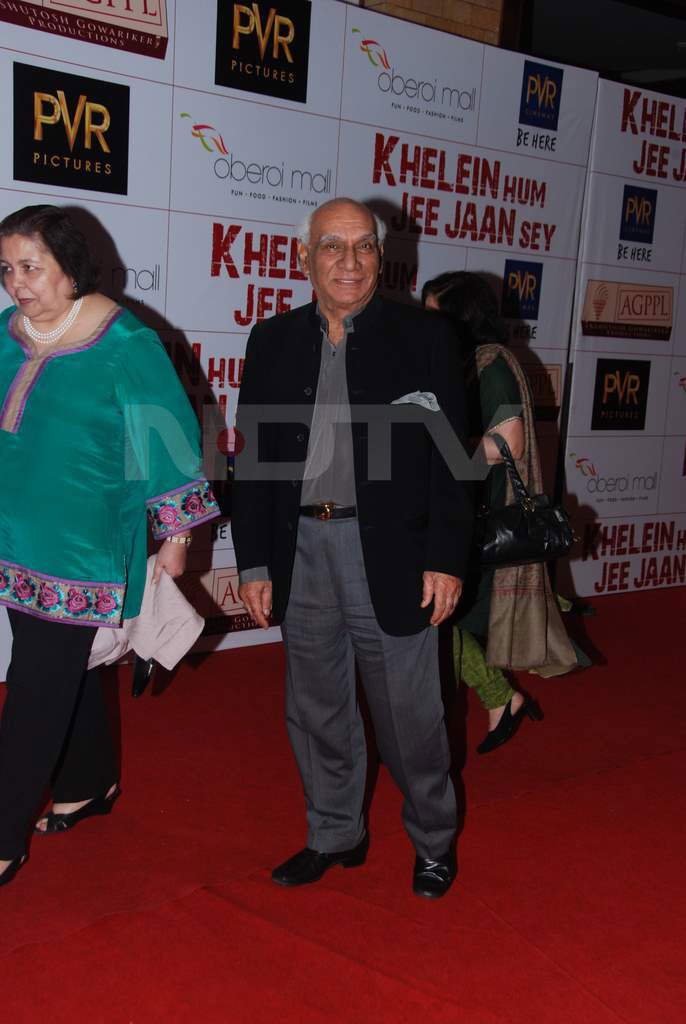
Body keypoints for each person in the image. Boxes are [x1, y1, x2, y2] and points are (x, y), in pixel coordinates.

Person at [232, 197, 473, 899]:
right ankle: (335, 831)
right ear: (304, 257)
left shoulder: (425, 337)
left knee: (412, 717)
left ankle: (433, 840)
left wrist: (447, 557)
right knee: (315, 706)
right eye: (331, 246)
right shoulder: (270, 340)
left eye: (363, 246)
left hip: (394, 552)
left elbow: (454, 459)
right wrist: (252, 561)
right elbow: (256, 463)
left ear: (382, 257)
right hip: (299, 547)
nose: (348, 261)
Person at [0, 205, 220, 888]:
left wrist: (176, 543)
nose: (16, 282)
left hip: (84, 548)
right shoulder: (7, 334)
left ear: (71, 270)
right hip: (13, 534)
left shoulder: (125, 343)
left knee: (35, 689)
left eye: (30, 267)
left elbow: (171, 446)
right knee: (64, 671)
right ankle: (89, 781)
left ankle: (2, 834)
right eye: (7, 268)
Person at [422, 271, 583, 754]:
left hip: (484, 520)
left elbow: (505, 446)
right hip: (463, 510)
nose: (427, 325)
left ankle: (481, 710)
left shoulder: (494, 363)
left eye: (435, 316)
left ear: (460, 320)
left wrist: (437, 452)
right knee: (436, 617)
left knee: (434, 616)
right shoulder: (467, 363)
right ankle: (500, 700)